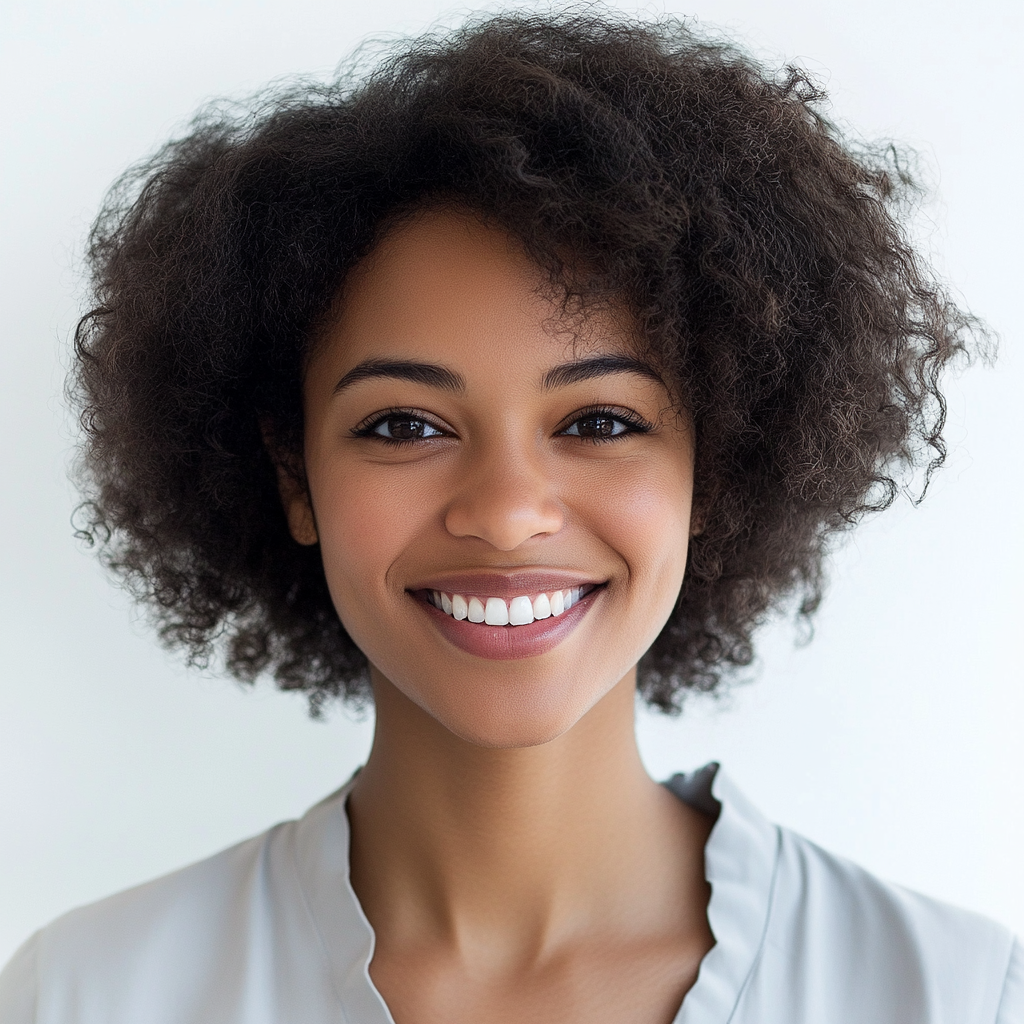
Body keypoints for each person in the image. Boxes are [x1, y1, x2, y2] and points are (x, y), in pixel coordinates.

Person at [0, 9, 1020, 1023]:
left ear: (718, 467)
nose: (505, 513)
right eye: (402, 424)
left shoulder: (956, 994)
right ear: (292, 476)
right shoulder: (89, 992)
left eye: (600, 419)